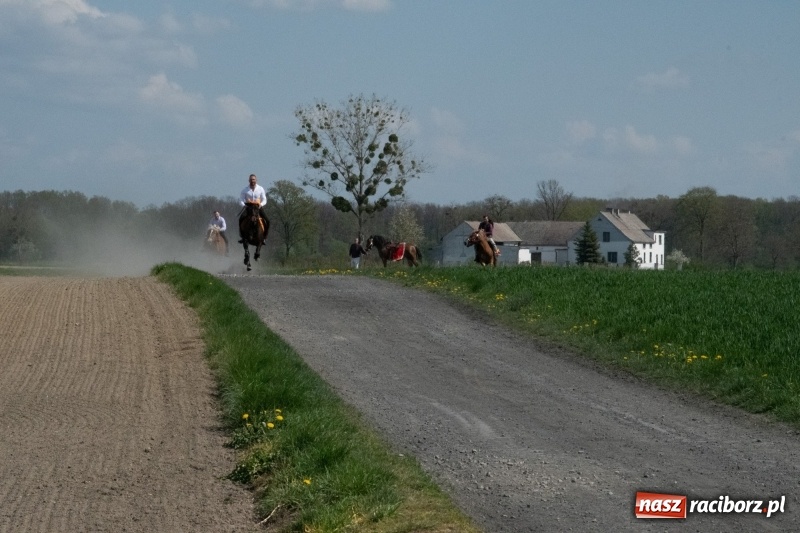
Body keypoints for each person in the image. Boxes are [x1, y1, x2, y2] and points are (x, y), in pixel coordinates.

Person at [239, 173, 269, 245]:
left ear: (256, 180)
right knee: (240, 219)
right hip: (248, 208)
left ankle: (264, 238)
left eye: (254, 179)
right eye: (251, 179)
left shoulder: (260, 189)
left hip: (257, 208)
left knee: (268, 221)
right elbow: (241, 200)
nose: (252, 181)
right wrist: (244, 205)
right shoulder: (245, 190)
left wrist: (261, 204)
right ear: (249, 180)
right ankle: (243, 237)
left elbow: (264, 199)